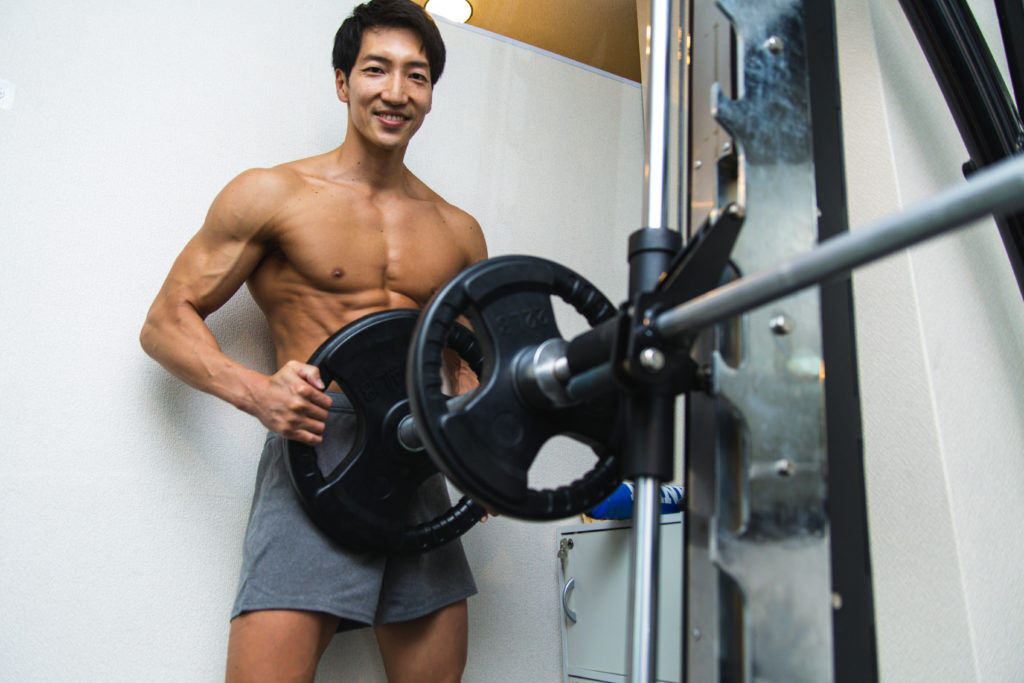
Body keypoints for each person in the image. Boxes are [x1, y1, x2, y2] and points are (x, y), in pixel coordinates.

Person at [140, 1, 487, 680]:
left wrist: (481, 455)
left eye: (416, 76)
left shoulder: (457, 230)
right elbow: (165, 320)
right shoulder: (272, 194)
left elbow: (470, 365)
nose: (396, 91)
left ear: (430, 94)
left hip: (417, 457)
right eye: (376, 69)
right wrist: (256, 392)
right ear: (341, 81)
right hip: (317, 446)